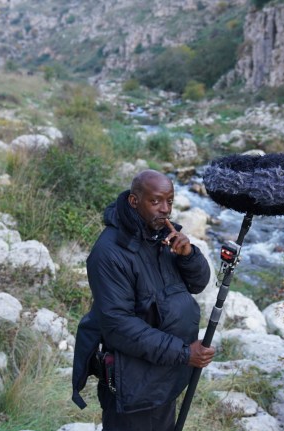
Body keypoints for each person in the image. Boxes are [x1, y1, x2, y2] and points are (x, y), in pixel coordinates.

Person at [72, 170, 215, 431]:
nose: (165, 209)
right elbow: (118, 326)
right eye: (156, 201)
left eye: (169, 201)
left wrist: (188, 255)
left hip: (164, 375)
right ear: (134, 201)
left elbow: (198, 284)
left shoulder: (162, 237)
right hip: (134, 386)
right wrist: (185, 353)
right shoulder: (109, 253)